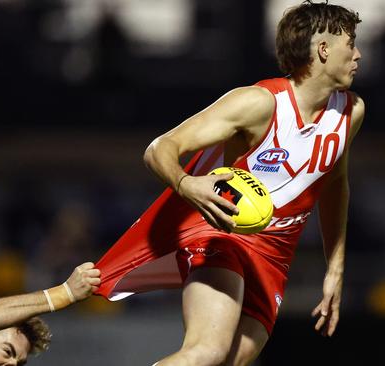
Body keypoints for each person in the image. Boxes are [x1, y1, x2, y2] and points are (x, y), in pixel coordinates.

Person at [95, 1, 364, 365]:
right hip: (226, 237)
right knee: (207, 352)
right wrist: (187, 184)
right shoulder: (257, 103)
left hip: (274, 257)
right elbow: (160, 148)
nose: (358, 55)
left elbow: (334, 184)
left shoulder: (351, 111)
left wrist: (335, 269)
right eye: (351, 44)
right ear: (323, 49)